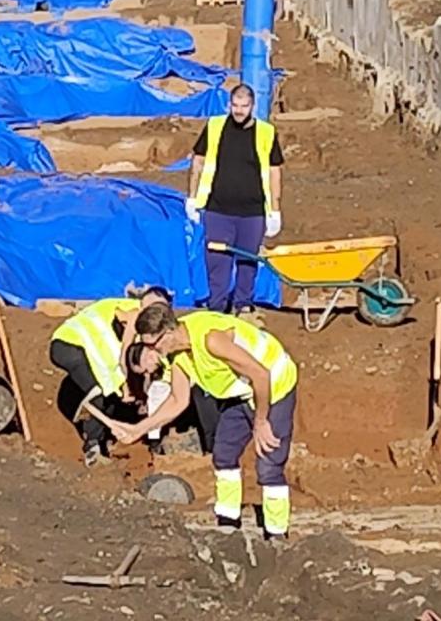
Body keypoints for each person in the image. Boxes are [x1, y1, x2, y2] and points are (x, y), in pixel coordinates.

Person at [115, 306, 299, 539]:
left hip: (274, 386)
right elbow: (177, 400)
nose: (153, 351)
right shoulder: (178, 354)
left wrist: (261, 421)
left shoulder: (211, 339)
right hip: (240, 393)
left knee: (269, 464)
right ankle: (228, 525)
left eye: (153, 344)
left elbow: (261, 375)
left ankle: (276, 534)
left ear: (169, 332)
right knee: (224, 453)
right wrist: (137, 429)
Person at [186, 84, 284, 314]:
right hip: (218, 209)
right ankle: (217, 308)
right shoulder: (215, 127)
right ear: (229, 104)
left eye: (244, 106)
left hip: (253, 212)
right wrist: (192, 197)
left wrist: (275, 210)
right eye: (235, 105)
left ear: (252, 106)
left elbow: (274, 171)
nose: (239, 111)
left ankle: (244, 305)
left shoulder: (266, 133)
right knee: (217, 262)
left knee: (248, 261)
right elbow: (198, 161)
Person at [48, 286, 172, 466]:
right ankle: (93, 448)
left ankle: (100, 439)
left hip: (70, 345)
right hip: (70, 346)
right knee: (101, 392)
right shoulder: (132, 315)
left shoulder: (126, 314)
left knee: (108, 390)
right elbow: (120, 359)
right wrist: (128, 389)